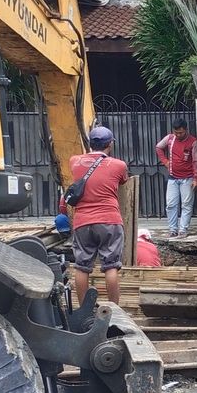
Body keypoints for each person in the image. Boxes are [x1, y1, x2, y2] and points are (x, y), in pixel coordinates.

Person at [68, 125, 129, 305]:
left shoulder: (74, 161)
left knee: (82, 267)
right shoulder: (119, 165)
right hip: (109, 220)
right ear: (110, 144)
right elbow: (123, 181)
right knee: (111, 266)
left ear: (90, 144)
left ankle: (83, 310)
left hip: (82, 222)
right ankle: (114, 310)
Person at [155, 118, 197, 238]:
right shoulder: (170, 138)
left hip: (188, 178)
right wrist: (165, 161)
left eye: (181, 132)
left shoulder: (193, 142)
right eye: (176, 132)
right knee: (170, 204)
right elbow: (158, 148)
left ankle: (183, 230)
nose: (178, 135)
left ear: (186, 130)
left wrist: (196, 179)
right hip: (172, 178)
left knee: (186, 205)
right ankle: (173, 230)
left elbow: (195, 161)